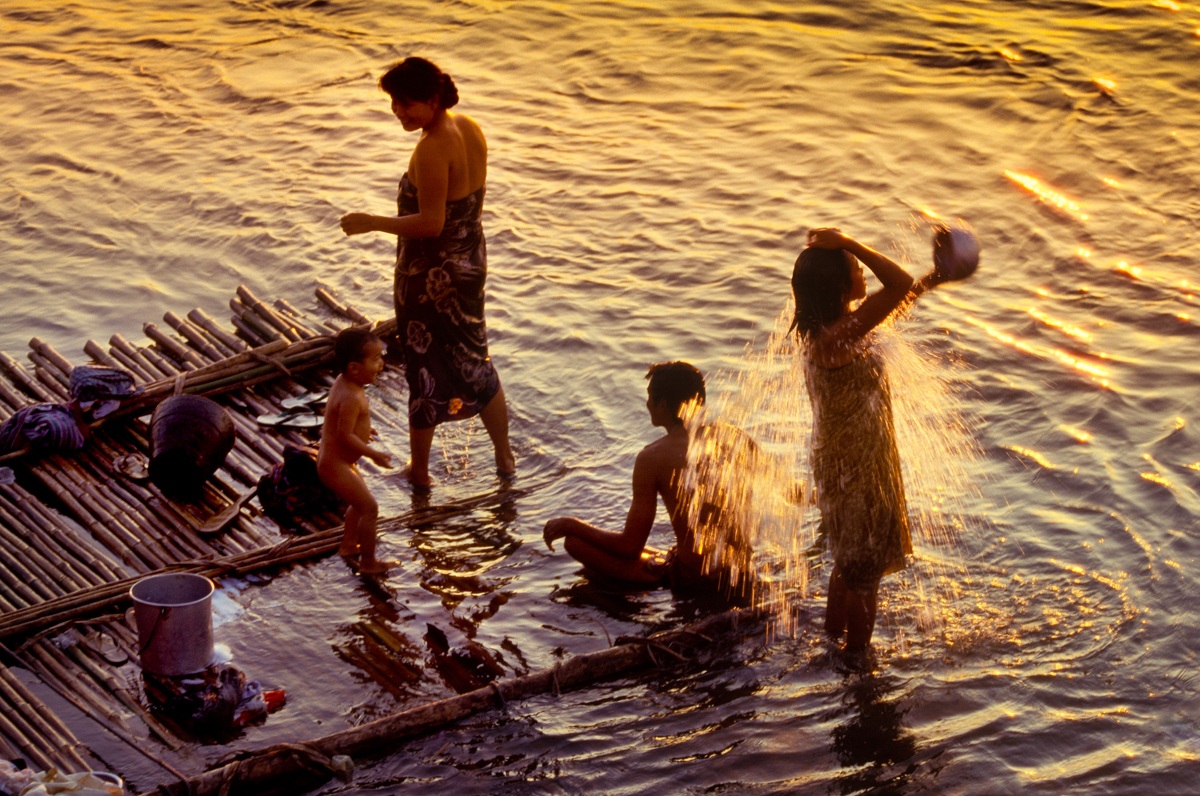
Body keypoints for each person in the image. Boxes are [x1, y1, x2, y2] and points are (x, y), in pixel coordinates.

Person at [340, 56, 514, 492]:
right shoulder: (470, 127)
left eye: (406, 103)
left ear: (433, 100)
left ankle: (419, 471)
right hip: (471, 260)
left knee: (425, 368)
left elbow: (431, 223)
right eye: (394, 103)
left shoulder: (432, 147)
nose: (399, 111)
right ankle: (504, 457)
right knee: (476, 358)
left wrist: (371, 221)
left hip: (434, 274)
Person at [791, 227, 947, 652]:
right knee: (863, 574)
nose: (862, 270)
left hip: (851, 462)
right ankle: (859, 667)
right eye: (856, 267)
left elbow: (896, 301)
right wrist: (851, 243)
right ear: (840, 284)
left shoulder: (835, 331)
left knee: (849, 562)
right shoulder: (833, 338)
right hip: (855, 469)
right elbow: (895, 286)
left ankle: (834, 644)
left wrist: (935, 277)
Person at [542, 361, 757, 604]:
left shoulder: (652, 457)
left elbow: (630, 547)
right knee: (663, 553)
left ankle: (655, 580)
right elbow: (786, 493)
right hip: (741, 572)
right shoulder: (734, 437)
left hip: (694, 579)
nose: (646, 404)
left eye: (649, 398)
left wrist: (572, 525)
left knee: (576, 543)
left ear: (663, 404)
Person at [317, 327, 395, 574]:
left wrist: (365, 430)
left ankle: (350, 544)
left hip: (337, 462)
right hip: (335, 465)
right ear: (354, 368)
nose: (381, 364)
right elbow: (344, 435)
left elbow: (343, 422)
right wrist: (375, 454)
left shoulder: (344, 383)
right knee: (369, 508)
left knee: (357, 503)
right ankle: (368, 562)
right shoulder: (351, 395)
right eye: (375, 360)